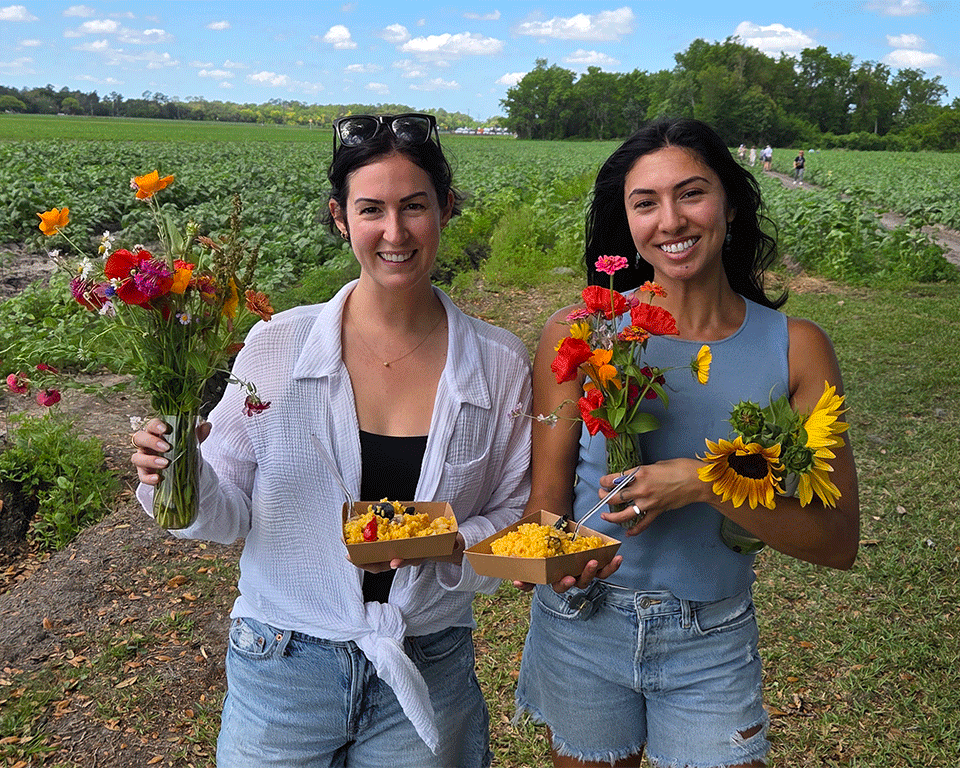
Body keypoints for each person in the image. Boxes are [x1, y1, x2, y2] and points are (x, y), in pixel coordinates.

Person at [130, 112, 532, 767]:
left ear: (446, 210)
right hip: (283, 667)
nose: (394, 232)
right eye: (371, 209)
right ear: (341, 218)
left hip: (425, 662)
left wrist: (446, 540)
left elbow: (518, 519)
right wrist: (177, 476)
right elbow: (229, 511)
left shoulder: (499, 365)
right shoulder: (277, 346)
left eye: (415, 207)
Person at [514, 118, 859, 768]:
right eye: (645, 202)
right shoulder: (582, 332)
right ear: (628, 220)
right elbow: (547, 507)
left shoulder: (797, 349)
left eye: (691, 193)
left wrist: (706, 480)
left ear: (729, 202)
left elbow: (838, 541)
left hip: (711, 638)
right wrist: (543, 562)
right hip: (582, 626)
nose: (670, 220)